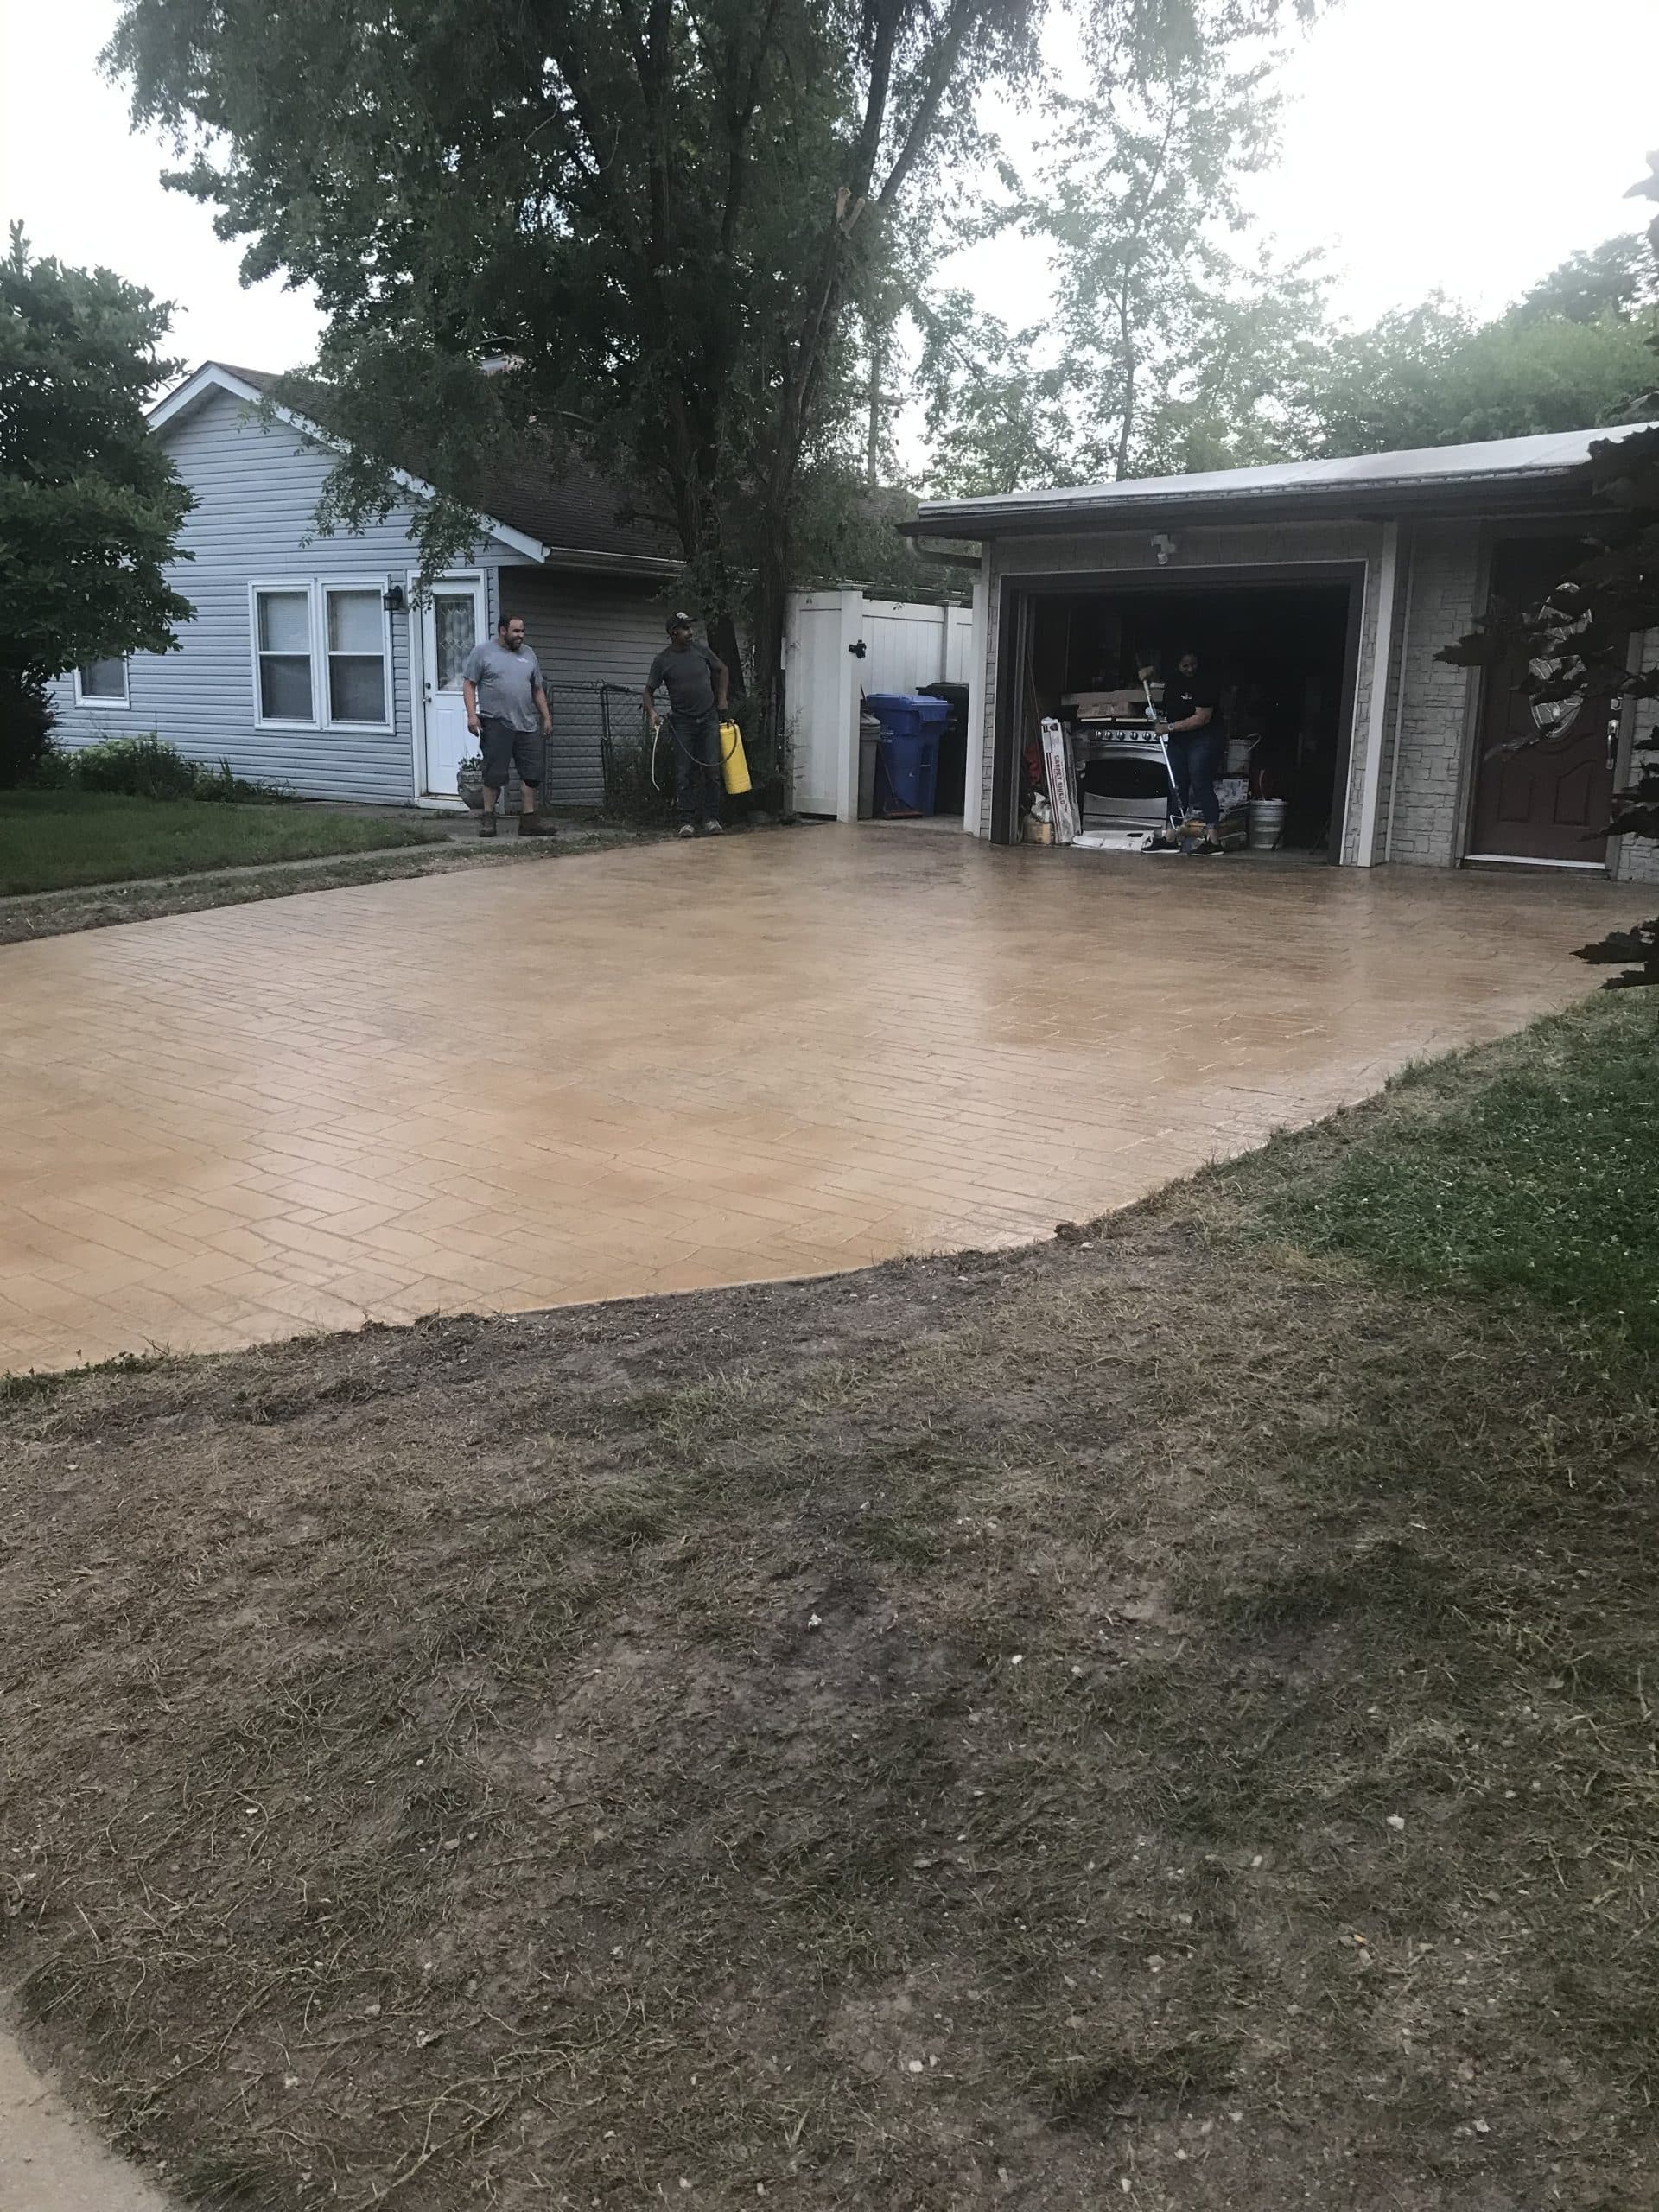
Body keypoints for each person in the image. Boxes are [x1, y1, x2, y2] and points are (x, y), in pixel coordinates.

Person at [462, 615, 554, 838]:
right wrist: (472, 716)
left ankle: (529, 821)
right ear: (503, 631)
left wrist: (546, 717)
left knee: (531, 774)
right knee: (494, 774)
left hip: (526, 724)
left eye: (522, 631)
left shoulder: (529, 654)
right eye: (516, 631)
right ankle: (488, 819)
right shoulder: (483, 653)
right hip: (496, 722)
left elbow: (537, 689)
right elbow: (469, 684)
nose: (520, 636)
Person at [644, 612, 730, 838]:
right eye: (685, 629)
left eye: (691, 629)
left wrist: (722, 700)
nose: (691, 633)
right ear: (674, 633)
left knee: (712, 769)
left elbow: (722, 670)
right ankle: (686, 822)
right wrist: (652, 712)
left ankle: (711, 819)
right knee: (684, 774)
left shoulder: (701, 651)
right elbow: (648, 691)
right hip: (682, 723)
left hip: (709, 718)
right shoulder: (662, 660)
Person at [1142, 648, 1224, 855]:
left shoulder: (1206, 682)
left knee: (1199, 780)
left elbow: (1202, 718)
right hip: (1179, 740)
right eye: (1185, 665)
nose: (1190, 669)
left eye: (1193, 665)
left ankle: (1213, 839)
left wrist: (1168, 728)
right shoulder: (1174, 680)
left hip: (1203, 738)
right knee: (1175, 784)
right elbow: (1156, 677)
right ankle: (1171, 836)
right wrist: (1147, 673)